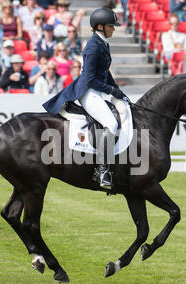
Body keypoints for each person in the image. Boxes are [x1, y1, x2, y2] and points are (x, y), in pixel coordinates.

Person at [42, 8, 128, 189]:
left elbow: (105, 73)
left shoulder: (103, 42)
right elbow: (90, 80)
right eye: (111, 26)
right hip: (88, 92)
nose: (114, 29)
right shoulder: (92, 46)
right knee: (111, 124)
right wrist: (112, 90)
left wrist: (118, 91)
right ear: (100, 27)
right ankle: (103, 170)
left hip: (98, 90)